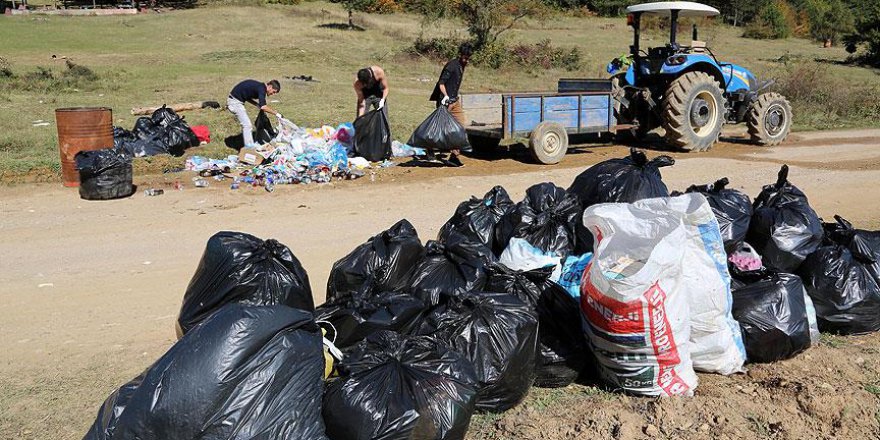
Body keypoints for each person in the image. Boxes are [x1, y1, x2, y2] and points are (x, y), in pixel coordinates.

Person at [428, 43, 473, 165]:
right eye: (465, 58)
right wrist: (445, 96)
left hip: (455, 101)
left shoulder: (462, 66)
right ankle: (429, 149)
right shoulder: (451, 66)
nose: (466, 60)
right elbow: (441, 83)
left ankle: (454, 156)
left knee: (461, 127)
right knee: (441, 129)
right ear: (460, 55)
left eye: (468, 58)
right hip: (445, 102)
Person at [227, 79, 282, 148]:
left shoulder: (260, 87)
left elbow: (247, 97)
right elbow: (263, 107)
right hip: (234, 103)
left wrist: (256, 104)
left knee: (247, 124)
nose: (273, 94)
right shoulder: (261, 89)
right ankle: (249, 147)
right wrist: (276, 114)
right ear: (270, 86)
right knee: (247, 125)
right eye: (273, 92)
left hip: (236, 101)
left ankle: (250, 145)